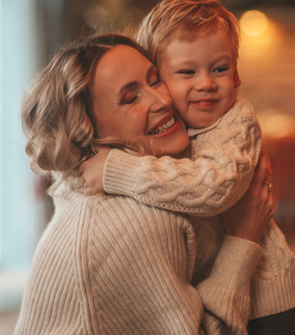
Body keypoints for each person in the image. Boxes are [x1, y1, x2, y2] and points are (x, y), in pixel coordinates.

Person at [14, 33, 276, 335]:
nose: (163, 99)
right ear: (87, 130)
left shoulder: (88, 189)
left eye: (155, 80)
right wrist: (243, 239)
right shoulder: (139, 220)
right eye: (130, 98)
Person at [79, 0, 295, 333]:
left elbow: (214, 188)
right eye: (187, 72)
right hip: (203, 288)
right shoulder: (168, 127)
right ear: (161, 81)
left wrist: (117, 170)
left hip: (264, 298)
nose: (206, 83)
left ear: (236, 75)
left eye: (220, 69)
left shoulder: (235, 123)